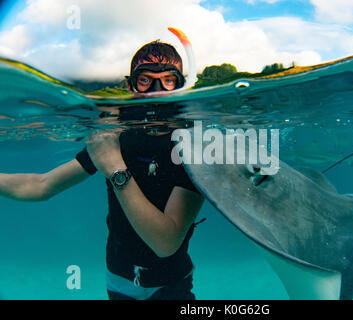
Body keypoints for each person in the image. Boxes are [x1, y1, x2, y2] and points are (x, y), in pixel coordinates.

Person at [0, 40, 205, 300]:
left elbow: (165, 243)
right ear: (131, 86)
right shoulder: (116, 137)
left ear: (180, 85)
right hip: (118, 282)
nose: (157, 91)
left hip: (170, 285)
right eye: (145, 80)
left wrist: (115, 167)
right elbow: (42, 185)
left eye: (168, 80)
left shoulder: (191, 145)